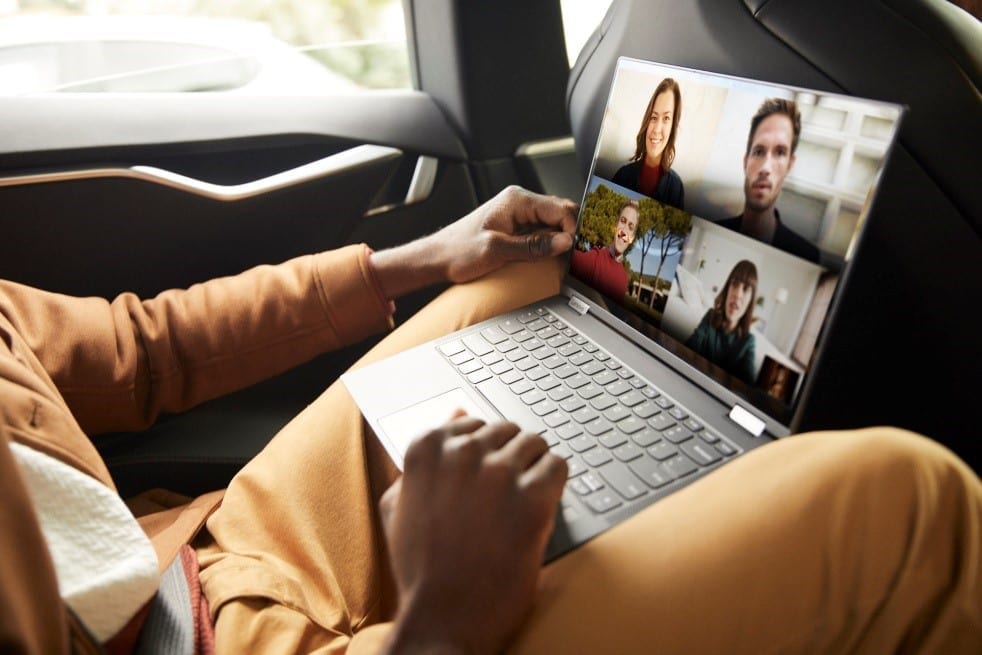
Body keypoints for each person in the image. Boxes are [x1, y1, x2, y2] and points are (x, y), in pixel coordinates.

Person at [2, 186, 981, 654]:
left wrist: (421, 256)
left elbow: (139, 349)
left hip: (198, 560)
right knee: (908, 502)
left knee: (524, 268)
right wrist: (439, 625)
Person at [716, 98, 822, 263]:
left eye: (780, 152)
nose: (765, 168)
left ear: (789, 165)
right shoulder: (715, 231)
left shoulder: (806, 256)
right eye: (758, 152)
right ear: (746, 161)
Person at [611, 78, 685, 209]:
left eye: (666, 118)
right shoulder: (622, 175)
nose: (656, 129)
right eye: (654, 117)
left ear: (673, 126)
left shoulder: (675, 188)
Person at [686, 259, 759, 385]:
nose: (737, 294)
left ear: (750, 302)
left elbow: (748, 389)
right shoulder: (710, 317)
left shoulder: (748, 342)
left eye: (746, 289)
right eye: (735, 284)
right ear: (727, 289)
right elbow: (688, 350)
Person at [568, 199, 638, 300]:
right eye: (623, 221)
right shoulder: (595, 258)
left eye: (630, 227)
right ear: (615, 225)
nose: (624, 231)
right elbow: (568, 258)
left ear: (632, 238)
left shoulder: (624, 278)